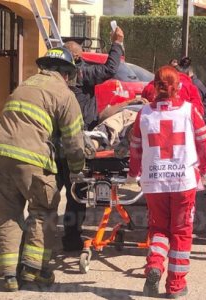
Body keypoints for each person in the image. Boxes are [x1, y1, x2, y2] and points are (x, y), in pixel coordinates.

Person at [0, 47, 85, 291]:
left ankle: (9, 275)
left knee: (6, 213)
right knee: (44, 210)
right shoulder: (64, 94)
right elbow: (74, 140)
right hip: (31, 158)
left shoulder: (24, 85)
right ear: (67, 74)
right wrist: (76, 170)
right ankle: (34, 270)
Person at [127, 66, 206, 298]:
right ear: (179, 87)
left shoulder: (143, 113)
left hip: (153, 183)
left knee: (159, 229)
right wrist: (204, 170)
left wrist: (133, 173)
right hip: (183, 183)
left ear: (153, 86)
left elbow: (135, 147)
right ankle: (175, 286)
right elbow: (204, 142)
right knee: (181, 232)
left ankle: (155, 265)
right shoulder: (188, 110)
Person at [58, 26, 125, 252]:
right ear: (77, 58)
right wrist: (117, 43)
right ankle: (71, 237)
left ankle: (39, 233)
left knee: (50, 190)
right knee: (76, 192)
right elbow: (110, 68)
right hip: (76, 140)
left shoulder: (56, 76)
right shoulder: (81, 73)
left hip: (54, 141)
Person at [176, 56, 206, 197]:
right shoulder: (195, 82)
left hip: (200, 119)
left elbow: (196, 107)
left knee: (199, 154)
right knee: (199, 154)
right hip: (201, 118)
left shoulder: (194, 85)